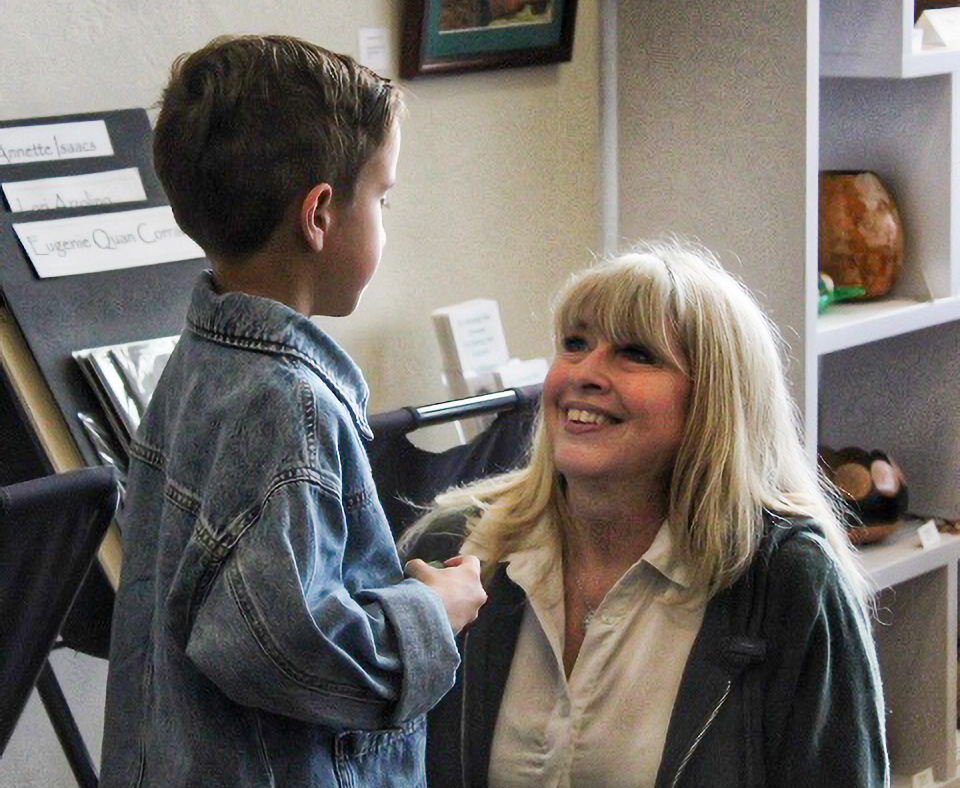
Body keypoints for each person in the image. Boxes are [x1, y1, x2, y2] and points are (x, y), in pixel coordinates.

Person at [100, 35, 486, 788]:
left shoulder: (197, 363)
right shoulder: (289, 406)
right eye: (381, 197)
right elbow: (287, 646)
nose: (384, 219)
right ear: (319, 214)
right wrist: (429, 614)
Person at [401, 239, 890, 788]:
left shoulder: (788, 584)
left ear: (713, 398)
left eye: (636, 353)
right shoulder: (457, 550)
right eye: (575, 343)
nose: (585, 372)